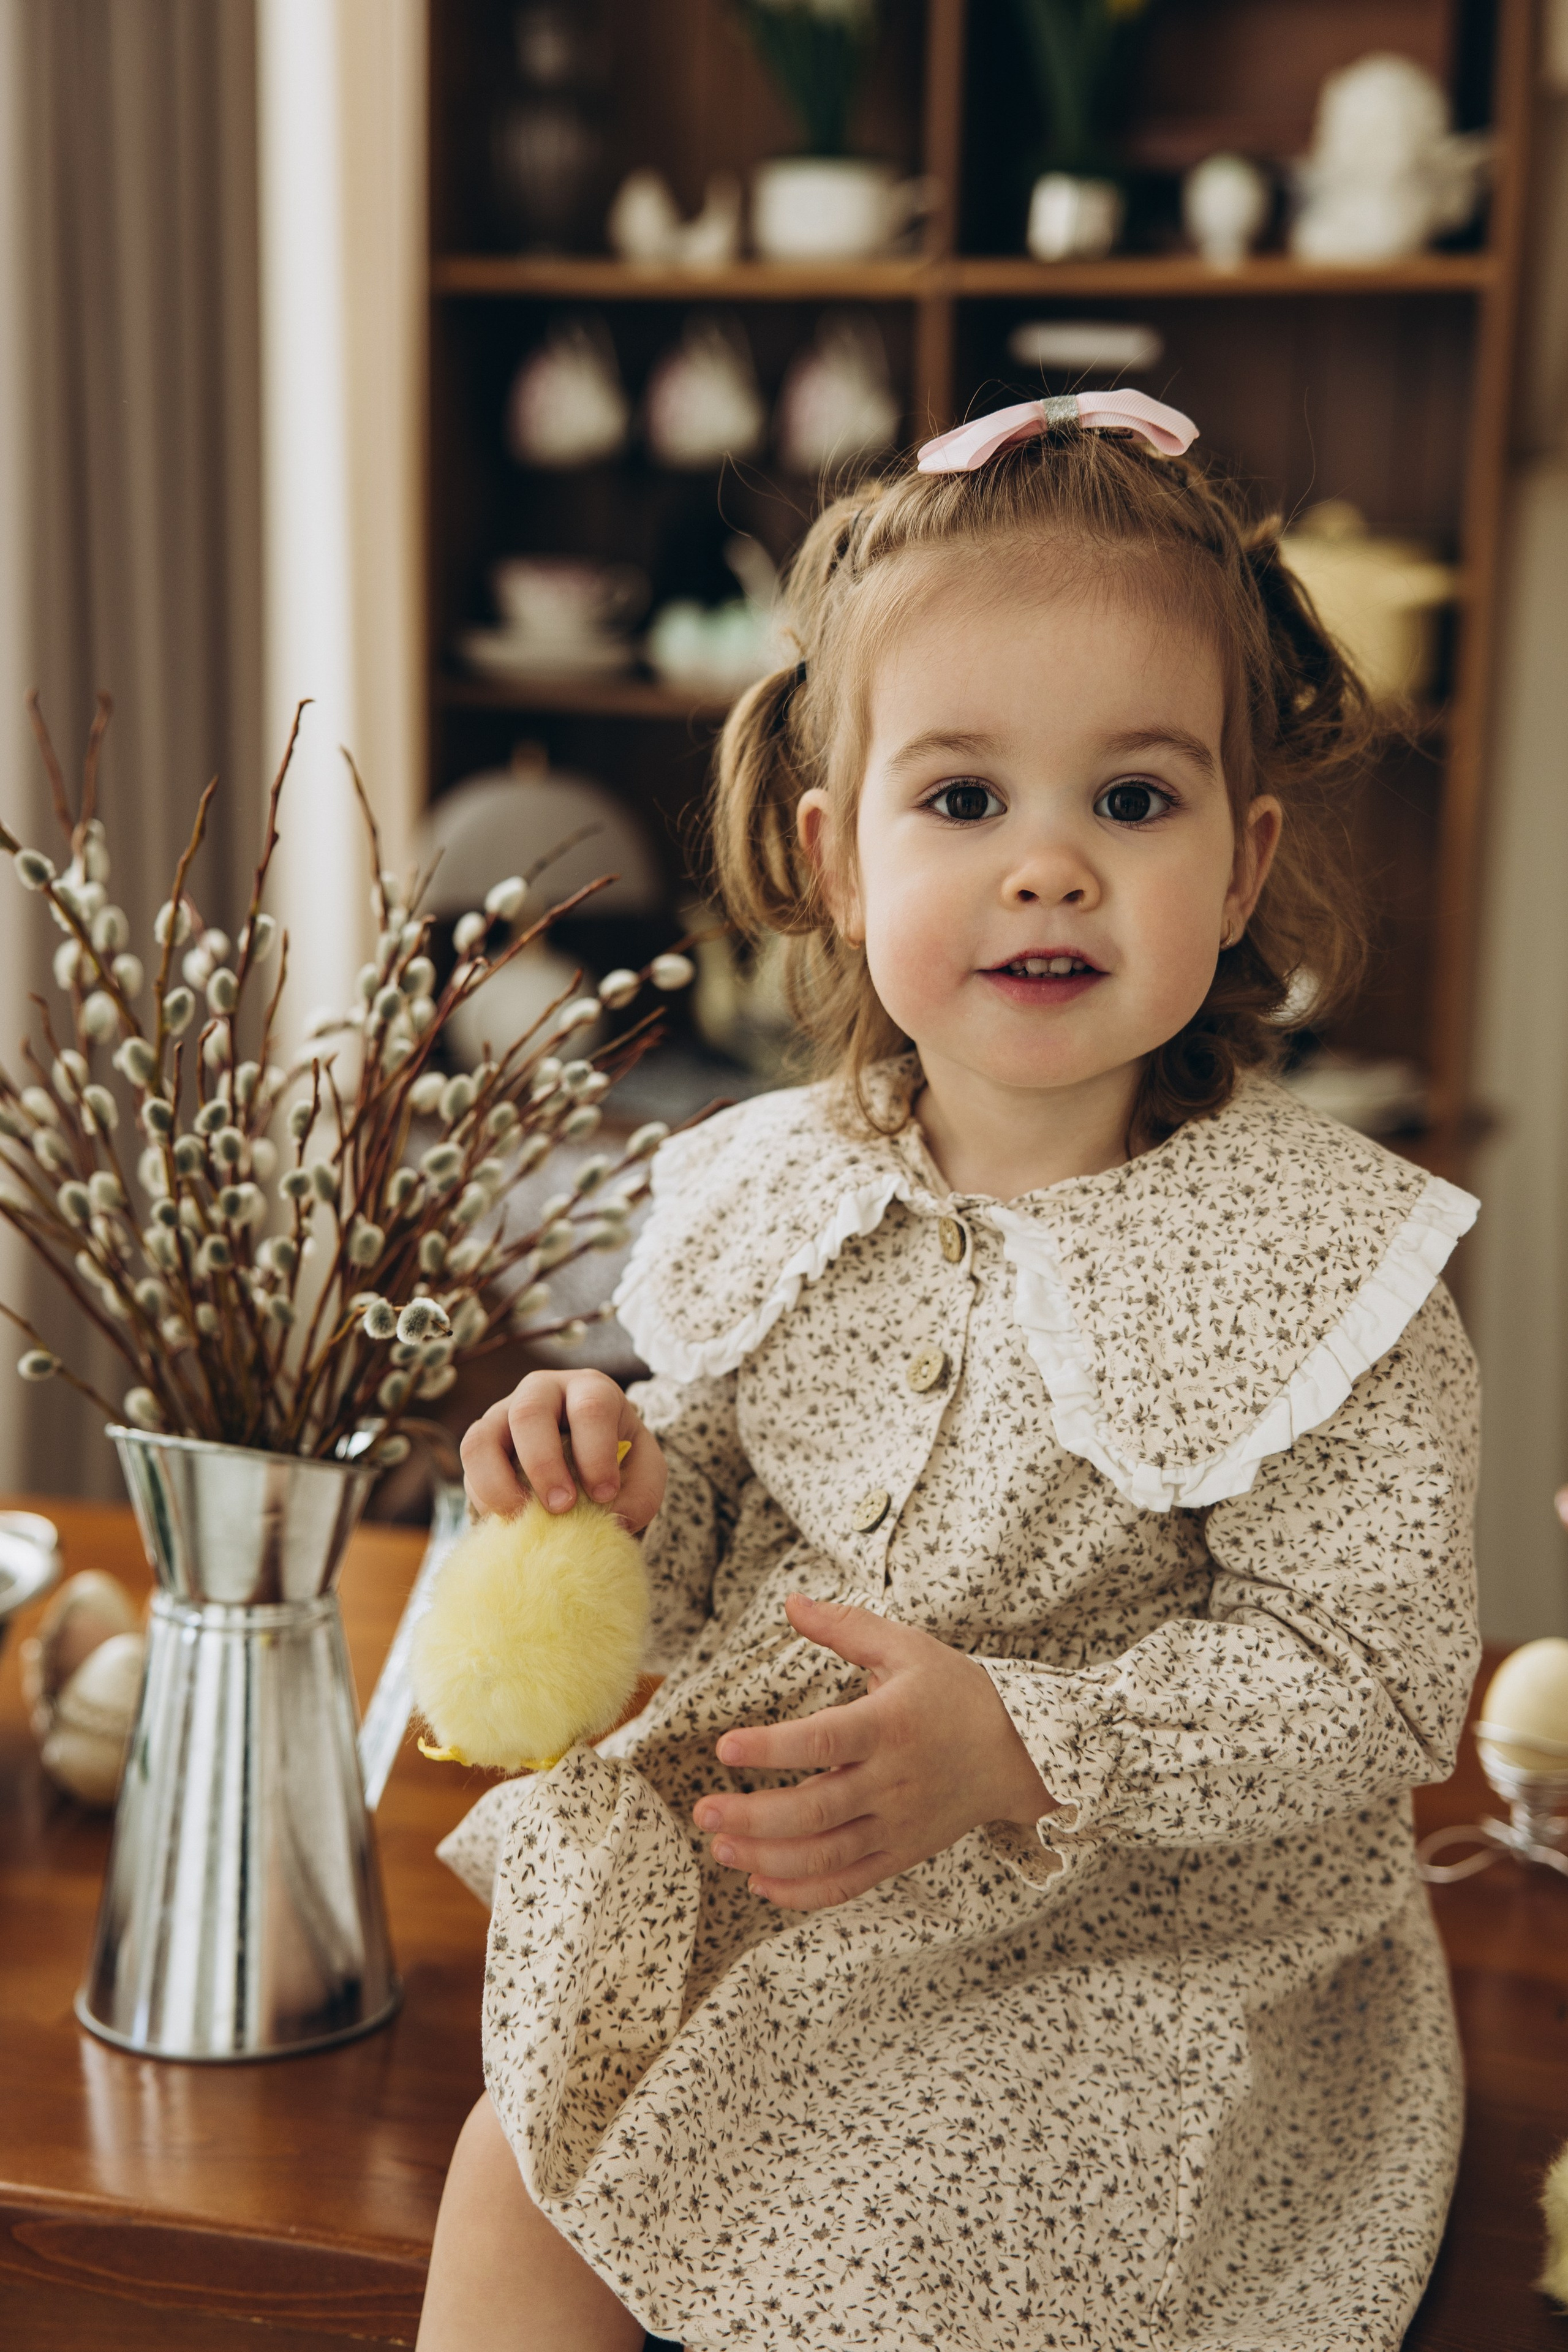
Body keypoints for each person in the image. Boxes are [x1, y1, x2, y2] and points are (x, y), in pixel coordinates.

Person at [417, 391, 1482, 2352]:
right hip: (801, 1876)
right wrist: (609, 1490)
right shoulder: (768, 1189)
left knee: (943, 2257)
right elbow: (719, 1524)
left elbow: (1372, 1679)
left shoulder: (1330, 1270)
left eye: (1134, 803)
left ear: (1243, 869)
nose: (1051, 867)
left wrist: (1021, 1747)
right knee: (522, 2165)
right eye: (966, 800)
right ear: (836, 853)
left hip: (1138, 1939)